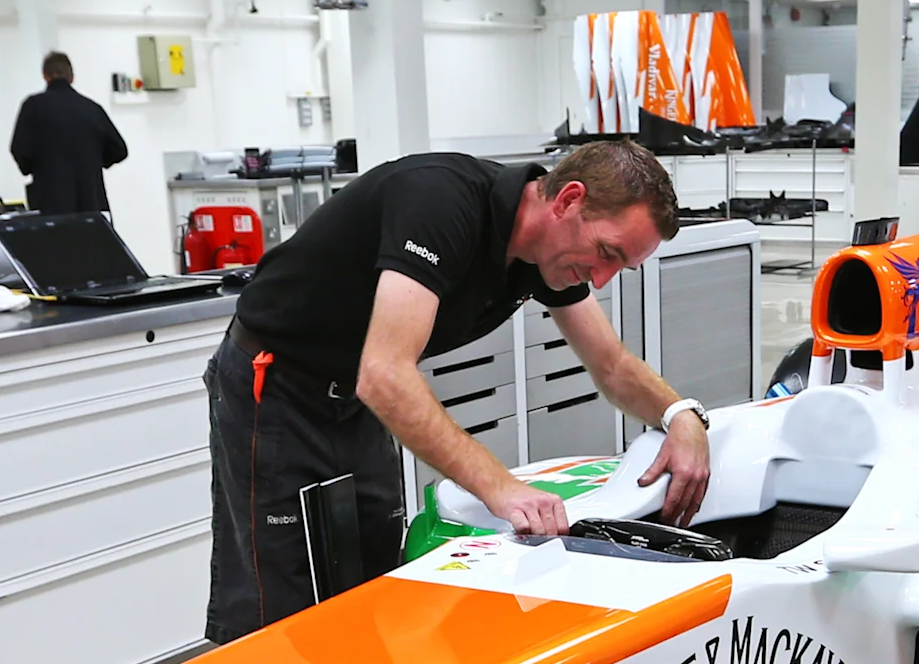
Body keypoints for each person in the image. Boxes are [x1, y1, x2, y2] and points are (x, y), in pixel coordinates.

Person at [202, 138, 713, 638]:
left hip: (352, 401)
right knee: (281, 612)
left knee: (374, 586)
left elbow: (612, 364)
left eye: (619, 266)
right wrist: (500, 486)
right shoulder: (441, 203)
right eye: (606, 253)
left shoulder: (546, 255)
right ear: (568, 200)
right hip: (275, 386)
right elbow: (386, 375)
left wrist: (681, 415)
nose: (601, 280)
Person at [8, 51, 129, 217]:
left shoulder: (33, 106)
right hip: (92, 204)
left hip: (51, 205)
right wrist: (92, 162)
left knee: (57, 243)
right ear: (72, 77)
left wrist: (34, 167)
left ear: (45, 76)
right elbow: (119, 150)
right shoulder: (92, 109)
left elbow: (19, 149)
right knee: (92, 242)